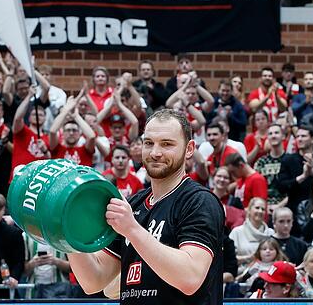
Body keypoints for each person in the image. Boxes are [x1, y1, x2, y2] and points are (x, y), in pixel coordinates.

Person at [68, 109, 225, 304]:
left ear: (190, 149)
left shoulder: (199, 201)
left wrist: (132, 229)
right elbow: (93, 281)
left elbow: (190, 278)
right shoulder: (133, 204)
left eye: (167, 144)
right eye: (149, 143)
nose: (155, 153)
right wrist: (65, 232)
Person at [277, 125, 313, 221]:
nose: (299, 139)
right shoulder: (288, 159)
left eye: (303, 136)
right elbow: (281, 187)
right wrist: (303, 176)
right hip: (294, 209)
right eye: (297, 136)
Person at [49, 93, 97, 167]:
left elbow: (92, 136)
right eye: (68, 130)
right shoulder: (57, 148)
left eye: (74, 130)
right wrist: (66, 110)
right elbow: (52, 131)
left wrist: (76, 116)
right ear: (63, 133)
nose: (71, 133)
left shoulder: (85, 150)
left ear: (80, 133)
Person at [24, 232, 72, 299]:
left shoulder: (63, 236)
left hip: (59, 289)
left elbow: (73, 269)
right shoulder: (25, 236)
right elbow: (22, 271)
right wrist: (33, 263)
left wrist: (56, 261)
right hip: (34, 288)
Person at [229, 197, 273, 270]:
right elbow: (229, 258)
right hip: (241, 275)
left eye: (263, 209)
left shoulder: (270, 233)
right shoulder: (237, 232)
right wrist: (248, 258)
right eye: (257, 208)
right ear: (249, 210)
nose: (260, 211)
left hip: (267, 273)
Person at [255, 123, 288, 213]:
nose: (273, 136)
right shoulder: (261, 162)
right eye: (270, 134)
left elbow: (295, 189)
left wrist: (279, 206)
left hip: (286, 207)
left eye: (276, 133)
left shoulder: (291, 160)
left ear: (283, 136)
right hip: (264, 208)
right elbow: (256, 188)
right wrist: (265, 206)